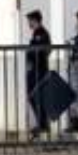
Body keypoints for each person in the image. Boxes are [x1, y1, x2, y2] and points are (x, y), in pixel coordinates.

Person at [25, 10, 53, 138]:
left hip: (39, 70)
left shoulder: (42, 33)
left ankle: (43, 125)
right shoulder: (37, 33)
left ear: (35, 20)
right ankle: (42, 124)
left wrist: (32, 54)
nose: (29, 23)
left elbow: (46, 50)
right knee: (34, 97)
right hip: (35, 70)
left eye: (30, 20)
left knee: (37, 97)